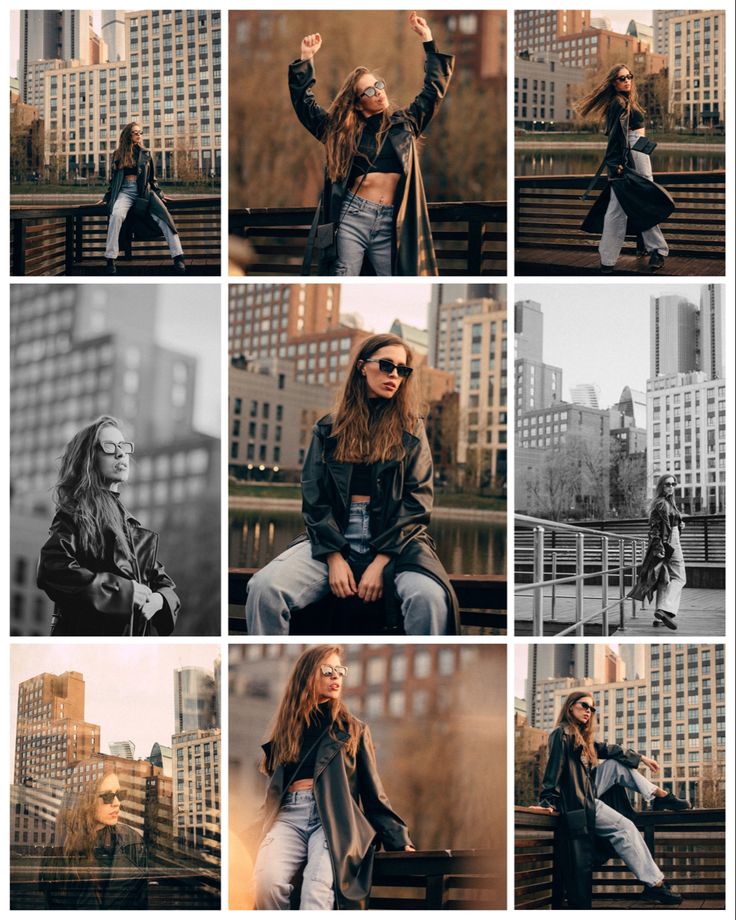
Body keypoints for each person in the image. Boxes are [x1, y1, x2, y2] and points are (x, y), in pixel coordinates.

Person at [245, 333, 458, 635]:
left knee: (429, 598)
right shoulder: (328, 428)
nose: (394, 375)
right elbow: (314, 499)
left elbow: (418, 501)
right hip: (333, 538)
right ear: (362, 367)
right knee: (265, 588)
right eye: (386, 365)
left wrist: (381, 561)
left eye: (403, 369)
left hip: (398, 542)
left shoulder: (412, 429)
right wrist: (333, 556)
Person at [288, 11, 454, 276]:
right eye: (368, 91)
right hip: (352, 217)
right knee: (345, 274)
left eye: (378, 85)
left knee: (394, 276)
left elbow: (433, 90)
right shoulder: (340, 132)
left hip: (391, 219)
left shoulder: (404, 125)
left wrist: (428, 41)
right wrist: (306, 59)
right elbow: (305, 106)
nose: (378, 92)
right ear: (357, 102)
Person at [253, 645, 414, 909]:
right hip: (287, 817)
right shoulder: (285, 731)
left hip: (332, 820)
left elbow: (374, 794)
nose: (336, 677)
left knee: (316, 889)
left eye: (340, 671)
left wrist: (398, 838)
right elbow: (272, 794)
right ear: (307, 676)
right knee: (265, 883)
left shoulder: (354, 730)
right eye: (327, 670)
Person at [530, 690, 690, 908]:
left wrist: (641, 757)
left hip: (587, 790)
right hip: (577, 801)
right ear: (570, 707)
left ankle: (659, 796)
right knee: (626, 828)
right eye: (584, 705)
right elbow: (553, 770)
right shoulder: (562, 733)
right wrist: (547, 801)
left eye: (592, 708)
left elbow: (609, 749)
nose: (589, 711)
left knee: (615, 763)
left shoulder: (581, 737)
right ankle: (655, 884)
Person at [37, 415, 180, 636]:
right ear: (89, 458)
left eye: (123, 446)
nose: (121, 453)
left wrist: (161, 599)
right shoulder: (76, 513)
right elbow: (53, 568)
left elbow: (162, 581)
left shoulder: (131, 526)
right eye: (109, 446)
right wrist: (122, 592)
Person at [578, 64, 669, 273]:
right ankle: (651, 251)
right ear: (613, 83)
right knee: (625, 206)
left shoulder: (627, 100)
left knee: (630, 205)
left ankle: (613, 258)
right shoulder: (618, 103)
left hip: (638, 152)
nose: (627, 80)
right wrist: (615, 163)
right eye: (622, 78)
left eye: (629, 76)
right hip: (630, 156)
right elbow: (615, 138)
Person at [40, 771, 148, 909]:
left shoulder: (133, 842)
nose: (117, 803)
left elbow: (140, 907)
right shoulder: (62, 842)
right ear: (85, 799)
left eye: (120, 794)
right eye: (108, 796)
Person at [99, 122, 186, 275]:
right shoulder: (118, 154)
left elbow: (152, 179)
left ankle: (178, 256)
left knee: (164, 217)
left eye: (140, 132)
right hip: (124, 191)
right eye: (135, 132)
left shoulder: (146, 153)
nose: (139, 135)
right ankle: (110, 259)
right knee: (116, 215)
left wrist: (160, 194)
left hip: (145, 192)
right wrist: (107, 197)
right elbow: (113, 180)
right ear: (128, 135)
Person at [629, 472, 686, 630]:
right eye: (667, 484)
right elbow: (654, 530)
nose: (671, 487)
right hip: (669, 543)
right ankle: (665, 609)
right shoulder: (661, 504)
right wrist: (659, 547)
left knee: (664, 578)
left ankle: (660, 616)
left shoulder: (668, 503)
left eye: (674, 484)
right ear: (661, 486)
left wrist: (679, 524)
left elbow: (668, 524)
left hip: (669, 541)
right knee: (680, 578)